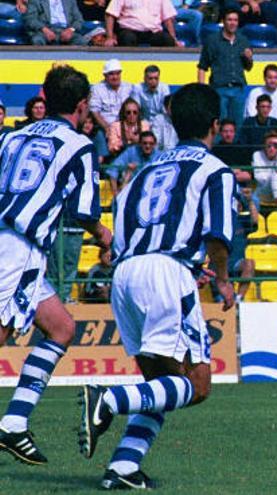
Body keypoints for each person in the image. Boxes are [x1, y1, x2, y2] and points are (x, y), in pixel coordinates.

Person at [78, 83, 236, 489]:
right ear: (215, 125)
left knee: (159, 385)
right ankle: (108, 400)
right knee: (197, 385)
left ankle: (124, 467)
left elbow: (122, 229)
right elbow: (219, 236)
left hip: (126, 274)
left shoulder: (144, 170)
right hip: (167, 272)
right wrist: (221, 278)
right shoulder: (214, 169)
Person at [0, 65, 112, 466]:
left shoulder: (11, 136)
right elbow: (83, 212)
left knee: (62, 326)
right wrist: (104, 235)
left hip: (10, 238)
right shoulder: (79, 145)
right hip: (18, 247)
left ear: (44, 98)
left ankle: (14, 424)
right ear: (83, 106)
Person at [197, 8, 253, 127]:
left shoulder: (243, 40)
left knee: (238, 126)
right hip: (219, 89)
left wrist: (249, 58)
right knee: (219, 125)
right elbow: (202, 66)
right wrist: (202, 90)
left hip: (238, 89)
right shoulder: (212, 41)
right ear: (223, 21)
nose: (233, 23)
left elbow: (248, 67)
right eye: (229, 20)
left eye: (235, 20)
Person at [244, 64, 277, 146]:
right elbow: (251, 115)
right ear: (264, 78)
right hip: (260, 126)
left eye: (275, 77)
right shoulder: (255, 93)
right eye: (270, 77)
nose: (273, 80)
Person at [104, 0, 181, 47]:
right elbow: (110, 14)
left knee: (167, 40)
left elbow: (168, 18)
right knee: (128, 38)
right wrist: (109, 37)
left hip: (153, 32)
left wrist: (174, 39)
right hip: (129, 30)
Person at [89, 58, 133, 133]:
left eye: (117, 73)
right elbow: (95, 112)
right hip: (103, 128)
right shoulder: (97, 89)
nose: (115, 77)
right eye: (111, 74)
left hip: (125, 127)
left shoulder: (129, 87)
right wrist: (107, 128)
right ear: (105, 75)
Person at [107, 130, 157, 194]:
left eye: (151, 143)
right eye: (145, 143)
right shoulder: (131, 151)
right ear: (139, 143)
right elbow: (113, 168)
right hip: (131, 188)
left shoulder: (159, 156)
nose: (148, 146)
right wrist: (115, 192)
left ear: (155, 144)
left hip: (151, 189)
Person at [252, 130, 277, 206]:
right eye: (269, 146)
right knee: (276, 175)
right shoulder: (257, 155)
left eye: (276, 146)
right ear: (264, 146)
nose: (272, 148)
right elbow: (260, 178)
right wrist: (275, 173)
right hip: (263, 192)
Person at [23, 0, 88, 45]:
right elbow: (29, 18)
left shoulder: (70, 1)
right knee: (37, 40)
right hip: (45, 30)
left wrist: (71, 30)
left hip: (66, 29)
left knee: (81, 41)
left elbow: (79, 19)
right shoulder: (36, 1)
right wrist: (44, 29)